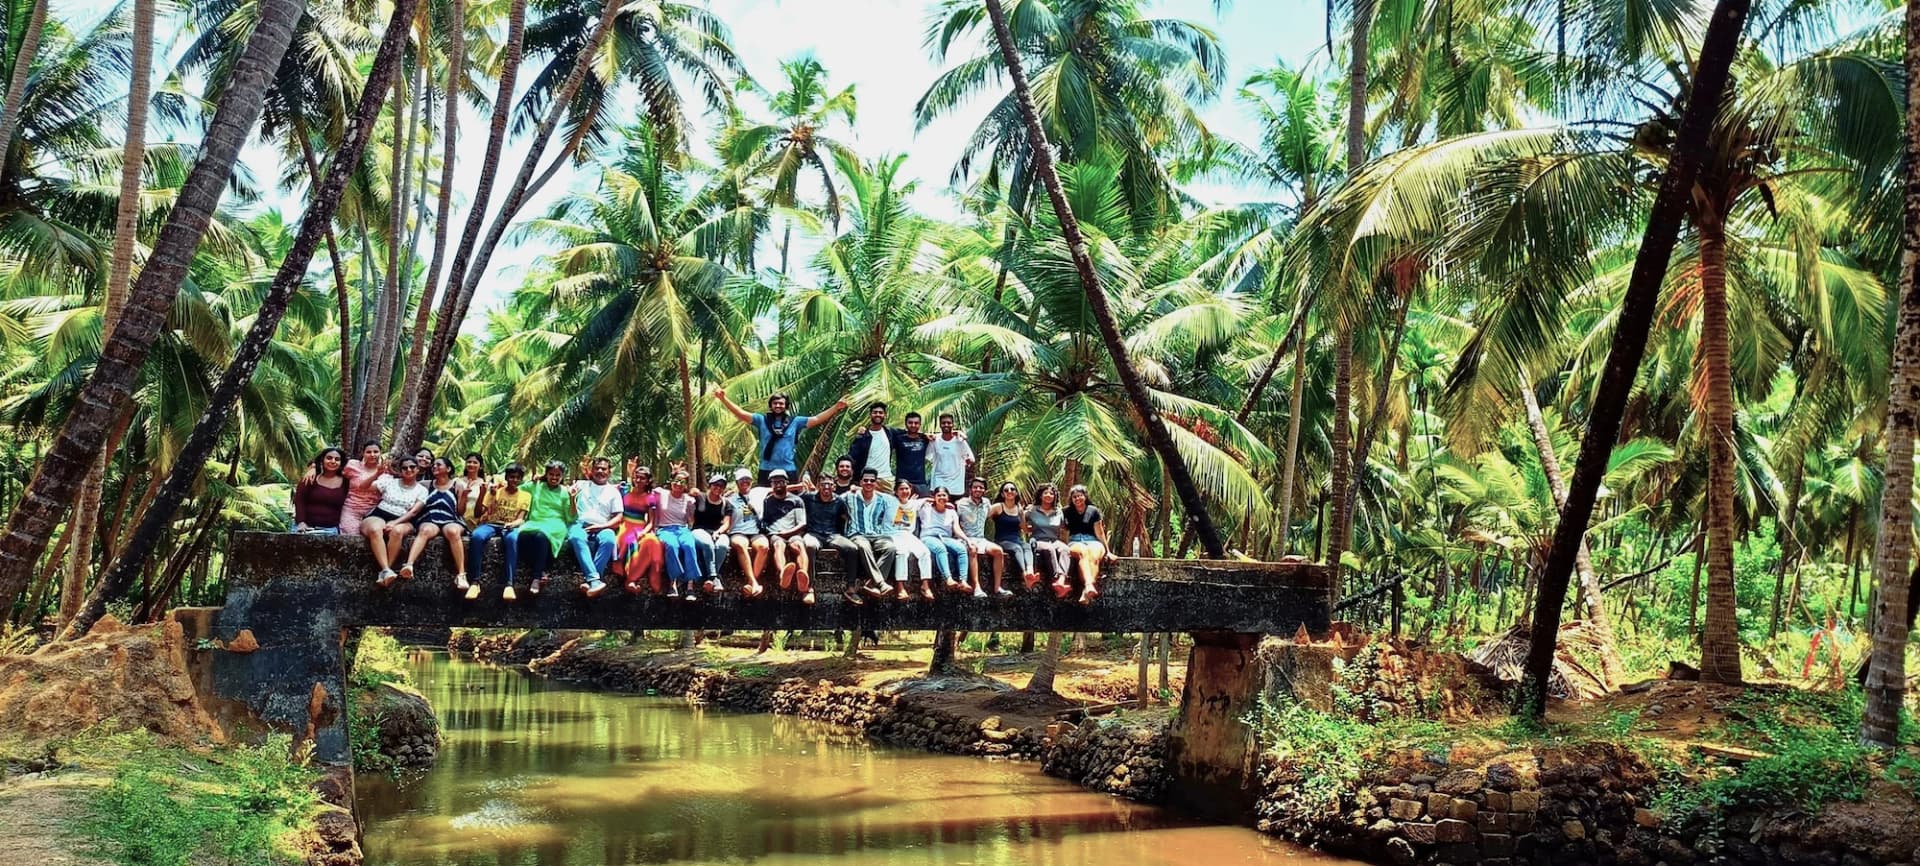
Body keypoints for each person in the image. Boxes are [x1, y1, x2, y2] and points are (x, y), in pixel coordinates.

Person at [713, 388, 850, 482]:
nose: (778, 406)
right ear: (771, 406)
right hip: (766, 469)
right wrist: (723, 399)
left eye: (781, 403)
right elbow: (741, 414)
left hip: (788, 469)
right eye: (775, 403)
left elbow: (816, 419)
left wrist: (836, 407)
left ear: (786, 406)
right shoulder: (761, 420)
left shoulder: (795, 422)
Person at [399, 457, 470, 588]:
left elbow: (460, 512)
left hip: (451, 519)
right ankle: (409, 565)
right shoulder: (426, 484)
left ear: (448, 469)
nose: (434, 467)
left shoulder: (457, 485)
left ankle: (461, 574)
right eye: (434, 465)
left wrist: (464, 496)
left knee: (453, 532)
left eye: (438, 464)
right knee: (424, 530)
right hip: (430, 518)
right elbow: (408, 482)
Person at [466, 464, 530, 601]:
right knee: (476, 536)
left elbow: (521, 519)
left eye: (517, 478)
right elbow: (484, 512)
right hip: (492, 524)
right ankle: (475, 582)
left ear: (521, 479)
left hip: (510, 526)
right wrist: (492, 495)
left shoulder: (525, 496)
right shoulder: (496, 491)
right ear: (506, 477)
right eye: (511, 477)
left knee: (512, 540)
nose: (514, 480)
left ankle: (509, 584)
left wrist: (513, 524)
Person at [366, 457, 428, 587]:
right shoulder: (390, 482)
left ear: (418, 469)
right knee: (375, 530)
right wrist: (377, 474)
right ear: (400, 470)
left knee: (397, 531)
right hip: (380, 514)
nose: (408, 470)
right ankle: (386, 570)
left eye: (412, 467)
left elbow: (414, 512)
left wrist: (395, 522)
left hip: (404, 519)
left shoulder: (422, 490)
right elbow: (366, 487)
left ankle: (386, 570)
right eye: (404, 468)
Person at [567, 457, 622, 597]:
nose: (600, 471)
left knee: (609, 540)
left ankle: (591, 580)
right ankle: (595, 580)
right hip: (580, 523)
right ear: (591, 470)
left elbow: (618, 518)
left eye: (604, 469)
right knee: (576, 537)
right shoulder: (580, 485)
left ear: (609, 472)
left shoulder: (613, 492)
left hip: (603, 525)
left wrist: (601, 526)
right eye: (597, 468)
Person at [798, 476, 856, 605]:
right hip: (813, 533)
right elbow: (793, 499)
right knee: (809, 546)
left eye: (829, 484)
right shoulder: (808, 497)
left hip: (832, 534)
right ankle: (809, 588)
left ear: (834, 486)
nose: (826, 487)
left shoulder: (839, 501)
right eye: (823, 484)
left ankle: (851, 587)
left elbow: (845, 518)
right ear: (818, 485)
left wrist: (843, 534)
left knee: (852, 548)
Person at [519, 461, 574, 595]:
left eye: (558, 475)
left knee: (540, 536)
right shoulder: (536, 485)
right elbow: (517, 489)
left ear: (562, 476)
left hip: (555, 524)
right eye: (551, 474)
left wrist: (572, 498)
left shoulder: (565, 492)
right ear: (546, 474)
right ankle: (541, 570)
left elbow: (571, 517)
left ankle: (536, 578)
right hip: (535, 521)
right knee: (522, 536)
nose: (554, 478)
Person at [846, 469, 899, 597]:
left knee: (891, 548)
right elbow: (831, 497)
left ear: (876, 483)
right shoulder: (849, 496)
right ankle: (880, 583)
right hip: (857, 534)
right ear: (860, 482)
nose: (869, 483)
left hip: (877, 535)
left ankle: (871, 584)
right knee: (864, 546)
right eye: (866, 480)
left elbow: (900, 500)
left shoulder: (882, 499)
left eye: (872, 481)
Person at [653, 470, 703, 600]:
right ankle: (673, 583)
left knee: (689, 545)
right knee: (672, 546)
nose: (679, 484)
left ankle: (690, 587)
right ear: (671, 481)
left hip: (682, 529)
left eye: (682, 482)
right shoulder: (661, 493)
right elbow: (644, 486)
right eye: (676, 480)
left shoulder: (689, 500)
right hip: (665, 529)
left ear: (686, 485)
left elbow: (691, 518)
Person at [616, 462, 663, 595]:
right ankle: (630, 579)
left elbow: (651, 522)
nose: (638, 480)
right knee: (630, 542)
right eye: (636, 477)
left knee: (653, 542)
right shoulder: (624, 490)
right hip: (624, 525)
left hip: (641, 527)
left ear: (648, 481)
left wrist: (644, 532)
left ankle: (652, 576)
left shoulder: (650, 498)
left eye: (642, 478)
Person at [1064, 484, 1115, 605]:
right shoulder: (1066, 512)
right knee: (1083, 552)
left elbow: (1100, 533)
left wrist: (1108, 551)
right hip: (1075, 540)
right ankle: (1088, 585)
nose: (1077, 498)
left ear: (1085, 496)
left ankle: (1086, 591)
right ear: (1071, 499)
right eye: (1074, 497)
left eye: (1080, 496)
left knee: (1095, 555)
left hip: (1093, 540)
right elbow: (1061, 530)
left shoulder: (1093, 511)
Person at [919, 486, 975, 596]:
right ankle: (948, 578)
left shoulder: (951, 512)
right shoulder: (925, 509)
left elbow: (956, 529)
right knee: (940, 548)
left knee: (961, 549)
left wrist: (967, 540)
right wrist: (930, 500)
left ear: (948, 497)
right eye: (938, 495)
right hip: (928, 537)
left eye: (944, 495)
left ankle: (963, 581)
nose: (941, 497)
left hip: (945, 538)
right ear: (934, 497)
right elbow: (913, 504)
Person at [724, 468, 771, 598]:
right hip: (738, 531)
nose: (745, 482)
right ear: (737, 482)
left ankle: (751, 582)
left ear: (752, 481)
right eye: (742, 480)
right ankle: (754, 582)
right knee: (740, 545)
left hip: (755, 531)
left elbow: (781, 487)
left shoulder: (759, 492)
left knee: (764, 546)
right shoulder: (730, 499)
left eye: (747, 479)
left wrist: (802, 485)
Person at [759, 470, 807, 596]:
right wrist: (771, 532)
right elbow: (765, 522)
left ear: (787, 483)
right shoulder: (767, 501)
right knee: (779, 545)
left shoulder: (796, 500)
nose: (778, 485)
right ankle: (783, 575)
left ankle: (803, 576)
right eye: (775, 482)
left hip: (793, 532)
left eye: (781, 482)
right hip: (776, 534)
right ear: (771, 485)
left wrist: (787, 533)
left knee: (798, 545)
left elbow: (802, 523)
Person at [955, 478, 1005, 595]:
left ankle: (997, 588)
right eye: (975, 487)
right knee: (973, 549)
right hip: (965, 539)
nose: (978, 489)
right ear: (970, 489)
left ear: (985, 490)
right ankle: (976, 587)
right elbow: (954, 523)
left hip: (981, 539)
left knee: (998, 551)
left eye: (981, 487)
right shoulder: (960, 504)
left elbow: (995, 512)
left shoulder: (987, 503)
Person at [887, 479, 934, 601]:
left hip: (908, 535)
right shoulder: (889, 501)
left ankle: (925, 585)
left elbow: (929, 500)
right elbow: (873, 492)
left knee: (925, 552)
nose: (904, 491)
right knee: (902, 552)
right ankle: (900, 586)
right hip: (891, 534)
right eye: (901, 489)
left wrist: (949, 505)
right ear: (896, 491)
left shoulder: (914, 503)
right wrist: (855, 488)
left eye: (907, 488)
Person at [989, 482, 1034, 594]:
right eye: (1006, 490)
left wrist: (1039, 525)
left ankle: (1030, 571)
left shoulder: (1019, 509)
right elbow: (982, 516)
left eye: (1012, 489)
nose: (1009, 491)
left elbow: (1024, 528)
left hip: (1017, 539)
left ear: (1016, 492)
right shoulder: (998, 507)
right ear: (1002, 494)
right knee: (1017, 548)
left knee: (1026, 546)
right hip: (1002, 540)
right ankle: (1025, 575)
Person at [1028, 483, 1071, 597]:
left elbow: (1066, 526)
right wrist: (1027, 529)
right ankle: (1055, 579)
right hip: (1038, 539)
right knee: (1049, 548)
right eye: (1045, 493)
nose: (1048, 495)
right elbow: (1019, 520)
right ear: (1040, 496)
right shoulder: (1032, 510)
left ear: (1055, 496)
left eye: (1051, 493)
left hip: (1054, 540)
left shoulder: (1058, 512)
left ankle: (1061, 580)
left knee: (1065, 549)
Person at [692, 474, 733, 592]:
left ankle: (710, 578)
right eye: (716, 485)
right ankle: (713, 577)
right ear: (710, 485)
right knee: (708, 544)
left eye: (721, 486)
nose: (718, 488)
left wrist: (718, 532)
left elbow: (726, 523)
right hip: (699, 530)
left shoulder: (726, 504)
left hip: (717, 531)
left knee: (722, 546)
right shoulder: (700, 498)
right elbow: (688, 494)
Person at [293, 447, 349, 533]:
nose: (333, 461)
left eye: (337, 459)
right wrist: (301, 522)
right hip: (305, 527)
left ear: (341, 462)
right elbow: (299, 500)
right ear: (322, 460)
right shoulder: (310, 478)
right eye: (329, 458)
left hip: (330, 529)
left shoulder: (346, 482)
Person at [339, 441, 385, 536]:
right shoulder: (353, 465)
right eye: (368, 452)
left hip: (373, 512)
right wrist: (314, 468)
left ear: (380, 453)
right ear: (363, 453)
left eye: (375, 452)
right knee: (351, 537)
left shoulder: (386, 470)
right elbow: (332, 468)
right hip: (351, 509)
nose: (372, 455)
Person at [849, 402, 901, 485]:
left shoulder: (890, 433)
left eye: (880, 412)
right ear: (870, 415)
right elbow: (852, 457)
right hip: (867, 479)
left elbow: (909, 433)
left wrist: (922, 436)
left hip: (886, 478)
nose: (878, 414)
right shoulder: (862, 436)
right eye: (875, 412)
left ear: (885, 415)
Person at [928, 413, 975, 495]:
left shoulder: (960, 440)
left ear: (953, 424)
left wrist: (968, 461)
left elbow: (971, 459)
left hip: (956, 484)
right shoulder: (935, 440)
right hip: (938, 481)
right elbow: (928, 456)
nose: (946, 425)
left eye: (949, 423)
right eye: (943, 423)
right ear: (940, 425)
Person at [893, 413, 934, 495]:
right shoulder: (898, 439)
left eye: (916, 423)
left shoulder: (925, 439)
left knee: (924, 502)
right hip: (902, 482)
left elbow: (942, 435)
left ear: (920, 424)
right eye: (910, 422)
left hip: (920, 482)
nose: (913, 425)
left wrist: (957, 432)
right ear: (906, 424)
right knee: (902, 503)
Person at [459, 453, 488, 524]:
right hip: (458, 519)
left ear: (480, 466)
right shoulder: (457, 482)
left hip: (475, 521)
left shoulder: (484, 484)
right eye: (469, 462)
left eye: (475, 463)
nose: (471, 464)